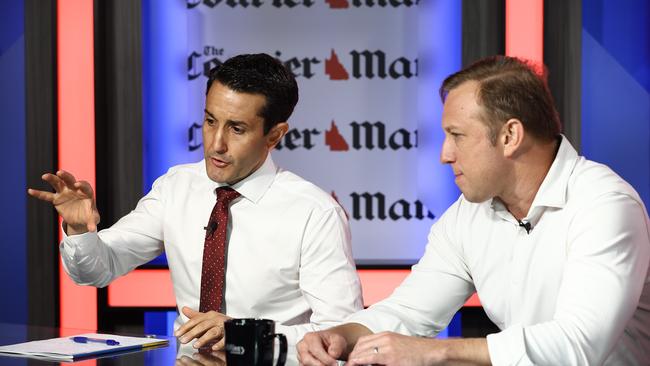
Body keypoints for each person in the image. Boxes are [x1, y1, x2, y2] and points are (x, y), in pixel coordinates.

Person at [297, 56, 650, 365]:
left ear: (510, 136)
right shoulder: (467, 216)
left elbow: (578, 347)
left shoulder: (604, 204)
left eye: (457, 135)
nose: (445, 155)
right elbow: (409, 311)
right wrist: (341, 335)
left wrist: (433, 353)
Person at [28, 53, 363, 350]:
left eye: (236, 129)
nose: (215, 144)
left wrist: (244, 334)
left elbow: (343, 335)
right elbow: (97, 270)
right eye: (210, 121)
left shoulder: (314, 213)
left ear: (274, 135)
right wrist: (79, 230)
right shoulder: (177, 186)